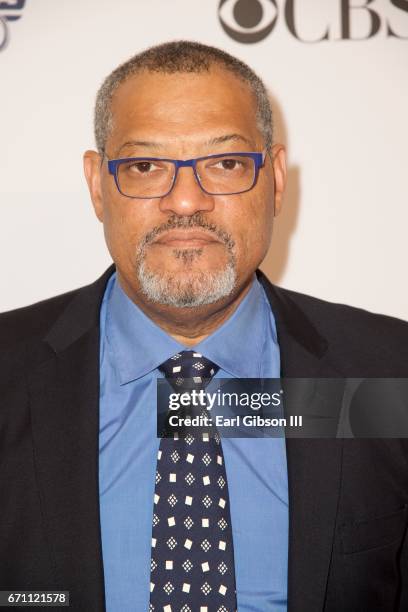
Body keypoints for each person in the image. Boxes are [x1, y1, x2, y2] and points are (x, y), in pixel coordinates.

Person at [1, 40, 408, 612]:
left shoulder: (390, 371)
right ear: (98, 185)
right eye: (145, 166)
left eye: (225, 164)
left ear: (275, 181)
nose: (186, 201)